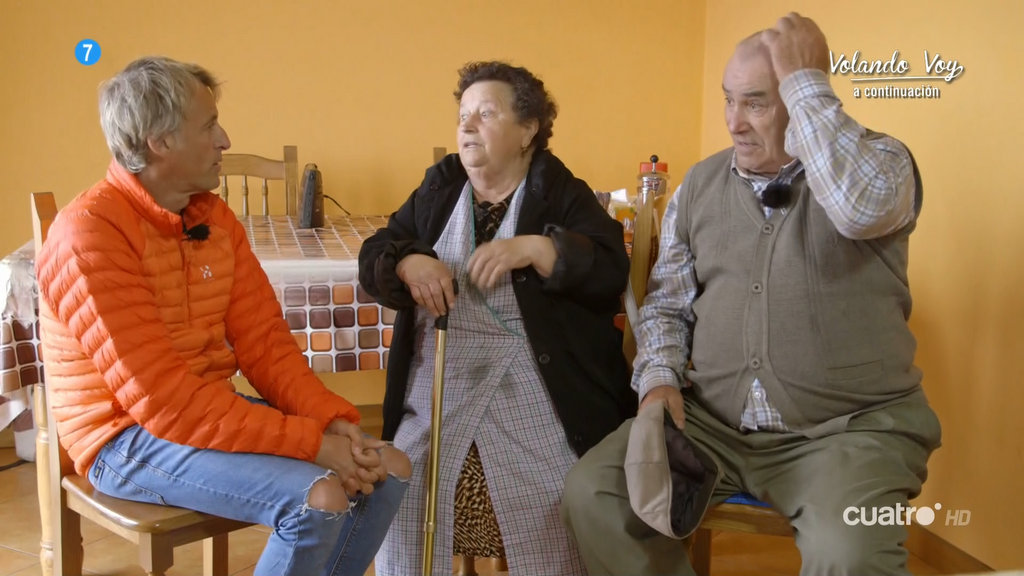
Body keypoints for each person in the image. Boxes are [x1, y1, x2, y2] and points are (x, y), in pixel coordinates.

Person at [561, 13, 942, 576]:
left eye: (756, 103)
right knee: (594, 493)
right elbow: (667, 303)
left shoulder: (882, 164)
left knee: (849, 555)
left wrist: (808, 83)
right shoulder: (700, 185)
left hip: (848, 433)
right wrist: (659, 379)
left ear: (802, 100)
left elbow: (859, 211)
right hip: (711, 426)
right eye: (728, 100)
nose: (734, 123)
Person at [35, 56, 410, 576]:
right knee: (317, 499)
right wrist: (312, 445)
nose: (225, 140)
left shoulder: (212, 217)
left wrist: (334, 423)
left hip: (203, 412)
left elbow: (266, 344)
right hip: (122, 438)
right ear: (160, 142)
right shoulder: (89, 235)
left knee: (389, 469)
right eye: (209, 125)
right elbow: (162, 401)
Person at [358, 61, 635, 575]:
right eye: (463, 115)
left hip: (538, 384)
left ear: (527, 130)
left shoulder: (558, 190)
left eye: (485, 114)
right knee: (400, 482)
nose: (467, 125)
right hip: (441, 379)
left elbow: (609, 267)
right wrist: (406, 261)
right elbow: (377, 250)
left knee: (551, 489)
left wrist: (539, 248)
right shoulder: (441, 186)